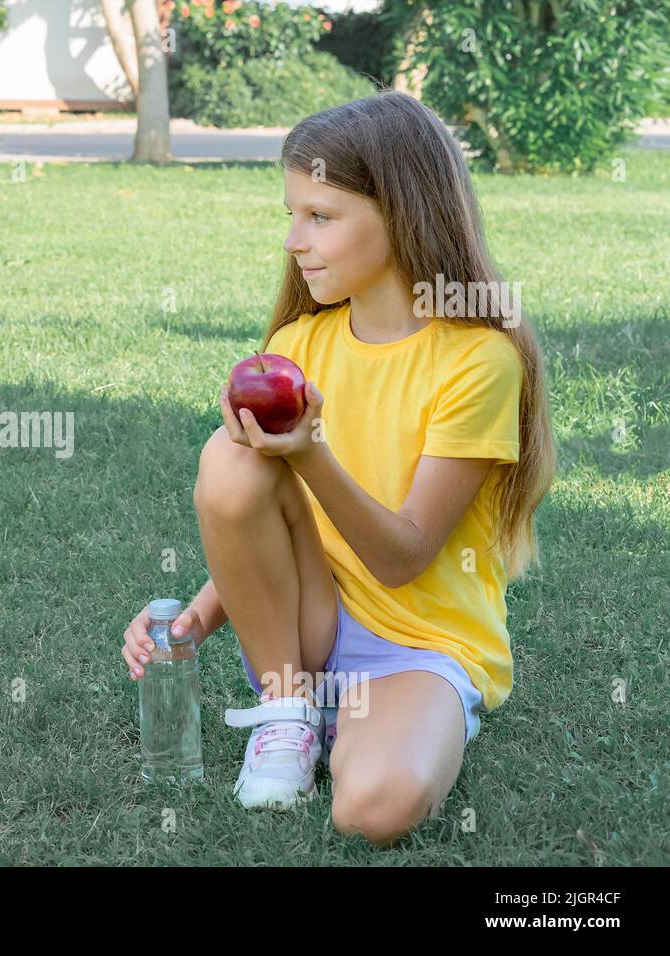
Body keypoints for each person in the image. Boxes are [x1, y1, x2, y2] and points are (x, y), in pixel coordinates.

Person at [121, 92, 555, 847]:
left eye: (321, 216)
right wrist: (195, 618)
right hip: (309, 627)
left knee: (372, 811)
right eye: (292, 215)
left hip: (419, 646)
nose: (295, 239)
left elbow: (404, 555)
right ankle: (288, 709)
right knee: (228, 457)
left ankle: (380, 722)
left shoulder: (479, 359)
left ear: (403, 211)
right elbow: (263, 516)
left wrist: (312, 454)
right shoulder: (300, 341)